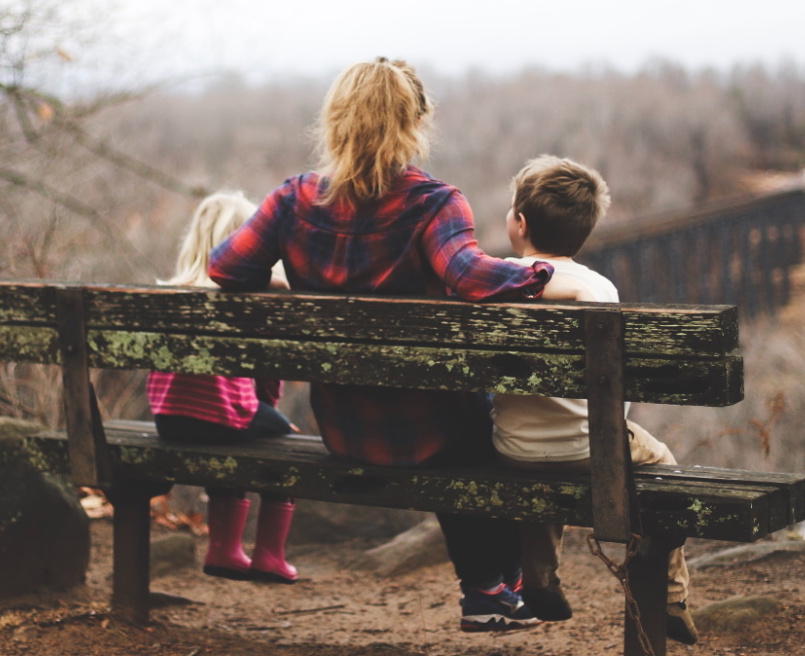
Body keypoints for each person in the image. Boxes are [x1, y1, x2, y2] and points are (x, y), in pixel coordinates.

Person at [208, 57, 578, 632]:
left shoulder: (292, 200)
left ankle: (496, 590)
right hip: (431, 432)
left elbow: (225, 268)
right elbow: (471, 277)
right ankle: (494, 589)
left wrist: (280, 282)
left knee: (468, 421)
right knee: (488, 426)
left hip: (344, 428)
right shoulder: (433, 202)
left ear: (334, 121)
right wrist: (543, 275)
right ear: (414, 123)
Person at [491, 154, 698, 644]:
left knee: (540, 455)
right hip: (591, 448)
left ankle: (539, 579)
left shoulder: (494, 280)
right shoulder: (598, 288)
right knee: (662, 463)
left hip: (513, 449)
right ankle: (671, 595)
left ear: (519, 223)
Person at [147, 190, 300, 584]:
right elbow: (265, 376)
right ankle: (268, 556)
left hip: (168, 420)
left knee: (232, 429)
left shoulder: (170, 293)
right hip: (222, 418)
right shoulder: (245, 298)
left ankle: (224, 549)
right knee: (285, 440)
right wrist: (271, 412)